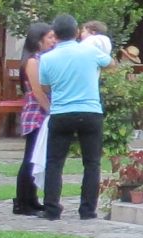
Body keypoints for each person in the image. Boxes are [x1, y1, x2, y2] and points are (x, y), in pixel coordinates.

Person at [37, 12, 112, 220]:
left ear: (55, 34)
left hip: (61, 112)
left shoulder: (47, 58)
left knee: (54, 162)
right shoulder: (90, 51)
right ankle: (87, 210)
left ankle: (51, 209)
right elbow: (110, 63)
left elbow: (45, 87)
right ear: (77, 32)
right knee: (92, 163)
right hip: (90, 111)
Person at [13, 21, 56, 214]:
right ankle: (22, 202)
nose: (53, 41)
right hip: (35, 115)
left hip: (41, 113)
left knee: (36, 157)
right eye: (50, 37)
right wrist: (50, 110)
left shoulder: (43, 59)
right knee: (30, 158)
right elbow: (38, 92)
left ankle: (31, 199)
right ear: (38, 40)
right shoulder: (32, 61)